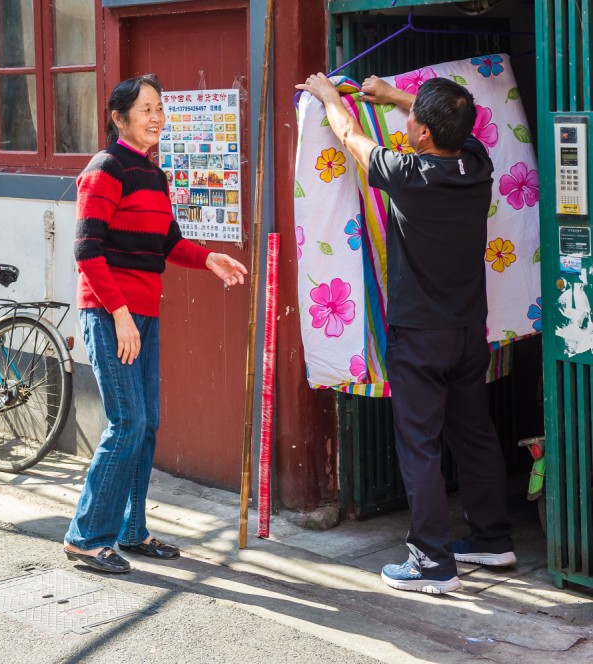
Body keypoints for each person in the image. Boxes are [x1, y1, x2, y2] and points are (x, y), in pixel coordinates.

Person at [296, 71, 515, 595]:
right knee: (474, 431)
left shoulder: (407, 172)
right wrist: (393, 95)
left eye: (413, 116)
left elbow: (351, 137)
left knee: (419, 443)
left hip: (420, 334)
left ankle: (432, 563)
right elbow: (451, 120)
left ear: (420, 135)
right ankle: (490, 537)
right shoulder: (477, 163)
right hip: (467, 331)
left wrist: (328, 96)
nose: (408, 117)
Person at [64, 74, 247, 574]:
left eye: (160, 109)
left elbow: (167, 244)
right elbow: (87, 250)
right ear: (118, 118)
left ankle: (130, 529)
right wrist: (119, 315)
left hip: (143, 314)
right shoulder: (105, 169)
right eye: (146, 109)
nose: (156, 118)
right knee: (128, 423)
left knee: (147, 427)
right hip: (109, 314)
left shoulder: (154, 174)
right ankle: (86, 536)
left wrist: (210, 258)